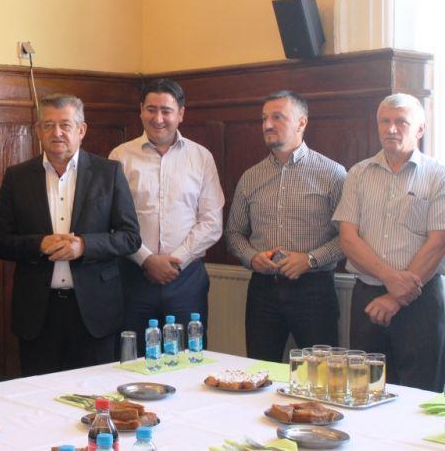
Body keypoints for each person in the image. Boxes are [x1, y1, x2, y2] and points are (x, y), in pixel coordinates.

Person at [0, 94, 140, 376]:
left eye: (65, 125)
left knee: (96, 395)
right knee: (38, 395)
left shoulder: (108, 173)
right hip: (38, 313)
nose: (56, 133)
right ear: (38, 131)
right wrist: (38, 244)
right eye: (48, 125)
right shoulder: (18, 177)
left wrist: (85, 246)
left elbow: (130, 237)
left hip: (95, 311)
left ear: (81, 130)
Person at [333, 93, 445, 392]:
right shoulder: (358, 174)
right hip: (367, 298)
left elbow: (438, 242)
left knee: (420, 396)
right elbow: (348, 238)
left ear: (420, 129)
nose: (391, 129)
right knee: (365, 391)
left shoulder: (439, 175)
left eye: (401, 122)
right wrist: (390, 279)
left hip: (422, 301)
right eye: (385, 121)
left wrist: (396, 297)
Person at [225, 91, 346, 362]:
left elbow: (349, 238)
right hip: (263, 290)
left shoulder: (333, 174)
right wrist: (251, 257)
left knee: (320, 374)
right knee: (260, 371)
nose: (267, 125)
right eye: (264, 118)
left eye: (277, 117)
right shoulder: (250, 177)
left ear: (302, 122)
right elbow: (233, 233)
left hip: (315, 290)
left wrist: (311, 259)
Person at [109, 79, 223, 343]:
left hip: (187, 279)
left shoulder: (201, 157)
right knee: (134, 357)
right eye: (151, 109)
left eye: (166, 111)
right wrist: (147, 260)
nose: (158, 118)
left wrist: (175, 261)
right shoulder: (120, 157)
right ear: (141, 111)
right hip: (133, 276)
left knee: (188, 355)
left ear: (180, 113)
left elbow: (211, 221)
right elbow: (112, 220)